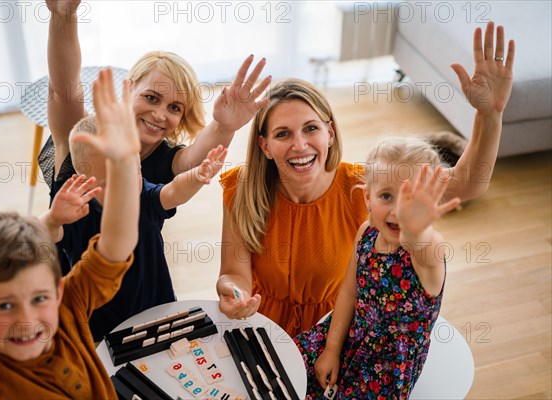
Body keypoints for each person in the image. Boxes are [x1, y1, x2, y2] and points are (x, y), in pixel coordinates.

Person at [216, 21, 515, 337]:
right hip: (261, 330)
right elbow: (234, 273)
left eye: (311, 128)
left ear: (330, 133)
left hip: (337, 331)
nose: (299, 145)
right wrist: (233, 294)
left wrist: (489, 116)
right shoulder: (241, 188)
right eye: (282, 134)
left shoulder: (364, 186)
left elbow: (468, 183)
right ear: (264, 145)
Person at [0, 69, 140, 398]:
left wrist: (124, 164)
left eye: (39, 299)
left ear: (56, 291)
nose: (27, 320)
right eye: (4, 306)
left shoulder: (67, 304)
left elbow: (117, 245)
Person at [55, 78, 227, 341]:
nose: (126, 184)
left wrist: (197, 175)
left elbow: (173, 192)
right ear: (83, 177)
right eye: (112, 180)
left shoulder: (142, 194)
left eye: (132, 170)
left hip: (158, 309)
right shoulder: (76, 210)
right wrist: (53, 219)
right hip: (102, 326)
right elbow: (45, 239)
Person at [41, 0, 270, 190]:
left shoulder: (168, 162)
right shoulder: (83, 136)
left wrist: (224, 127)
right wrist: (64, 14)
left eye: (175, 108)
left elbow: (198, 158)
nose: (160, 115)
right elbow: (64, 86)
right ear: (129, 89)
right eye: (151, 98)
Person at [295, 137, 461, 398]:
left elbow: (418, 240)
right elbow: (349, 292)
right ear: (368, 197)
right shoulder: (367, 232)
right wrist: (331, 349)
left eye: (411, 199)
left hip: (385, 367)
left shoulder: (428, 251)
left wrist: (417, 228)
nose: (398, 210)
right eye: (386, 195)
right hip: (349, 333)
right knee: (282, 368)